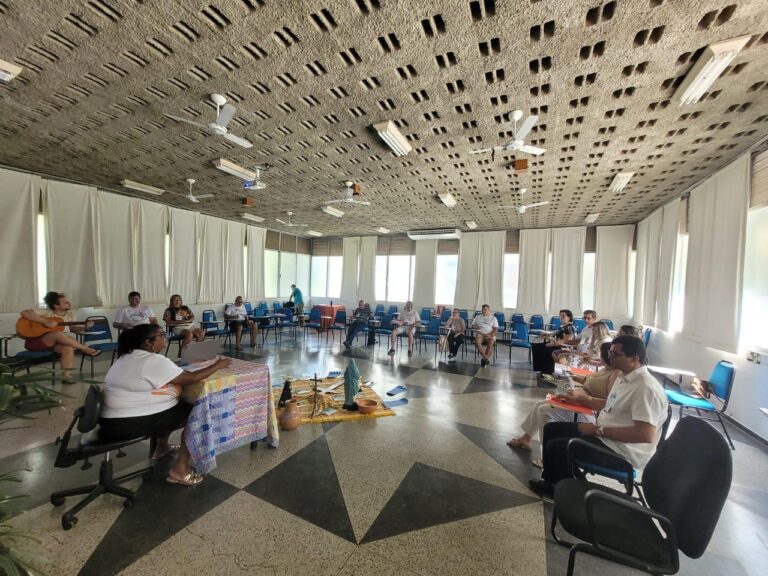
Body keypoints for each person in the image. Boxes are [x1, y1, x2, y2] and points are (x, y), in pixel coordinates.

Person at [528, 335, 668, 497]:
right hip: (605, 437)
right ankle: (558, 480)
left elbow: (645, 434)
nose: (609, 357)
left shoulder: (645, 388)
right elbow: (610, 405)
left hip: (620, 451)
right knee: (552, 429)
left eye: (615, 354)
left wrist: (597, 430)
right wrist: (581, 399)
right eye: (610, 352)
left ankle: (562, 489)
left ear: (634, 359)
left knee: (558, 446)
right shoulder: (624, 377)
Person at [99, 324, 231, 486]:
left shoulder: (127, 356)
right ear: (149, 342)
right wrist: (218, 365)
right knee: (197, 411)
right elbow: (191, 378)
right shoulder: (152, 360)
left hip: (110, 421)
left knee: (172, 404)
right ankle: (180, 470)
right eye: (161, 335)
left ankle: (162, 447)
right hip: (128, 423)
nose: (165, 337)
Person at [507, 343, 620, 467]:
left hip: (588, 412)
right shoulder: (606, 369)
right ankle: (526, 438)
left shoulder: (614, 374)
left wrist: (583, 397)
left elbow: (607, 402)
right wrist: (570, 376)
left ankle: (546, 456)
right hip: (581, 402)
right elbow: (588, 380)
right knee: (541, 403)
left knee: (544, 411)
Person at [19, 291, 101, 382]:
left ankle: (65, 376)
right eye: (65, 302)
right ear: (56, 306)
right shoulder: (46, 313)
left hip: (56, 344)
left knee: (68, 347)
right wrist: (44, 321)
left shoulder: (70, 314)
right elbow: (24, 312)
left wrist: (85, 328)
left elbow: (72, 329)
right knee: (57, 333)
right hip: (37, 342)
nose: (69, 303)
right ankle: (84, 348)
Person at [530, 309, 577, 375]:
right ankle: (541, 369)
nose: (561, 318)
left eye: (563, 316)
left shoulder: (570, 328)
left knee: (546, 350)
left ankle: (548, 371)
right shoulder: (562, 327)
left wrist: (550, 344)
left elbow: (566, 341)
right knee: (536, 346)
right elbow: (554, 334)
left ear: (569, 317)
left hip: (563, 347)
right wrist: (547, 335)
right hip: (556, 344)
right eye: (560, 316)